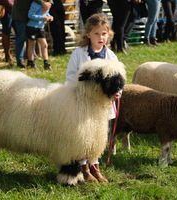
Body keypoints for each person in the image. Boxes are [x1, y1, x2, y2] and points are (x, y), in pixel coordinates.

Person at [66, 13, 120, 183]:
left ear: (108, 35)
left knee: (98, 136)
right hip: (84, 104)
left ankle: (95, 166)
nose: (101, 37)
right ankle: (84, 167)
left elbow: (119, 80)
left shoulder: (111, 57)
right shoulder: (78, 54)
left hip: (103, 106)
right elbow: (70, 77)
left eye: (104, 33)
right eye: (96, 33)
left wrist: (117, 92)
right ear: (88, 34)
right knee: (84, 135)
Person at [12, 0, 51, 68]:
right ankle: (20, 61)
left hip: (33, 17)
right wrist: (43, 3)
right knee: (21, 38)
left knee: (31, 42)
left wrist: (48, 3)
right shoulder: (37, 3)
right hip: (22, 15)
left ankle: (30, 61)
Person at [26, 0, 53, 69]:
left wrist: (50, 17)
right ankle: (31, 62)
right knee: (31, 44)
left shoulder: (47, 4)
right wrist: (42, 18)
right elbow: (30, 15)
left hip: (40, 27)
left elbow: (46, 13)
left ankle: (46, 63)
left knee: (44, 45)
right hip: (32, 27)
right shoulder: (35, 4)